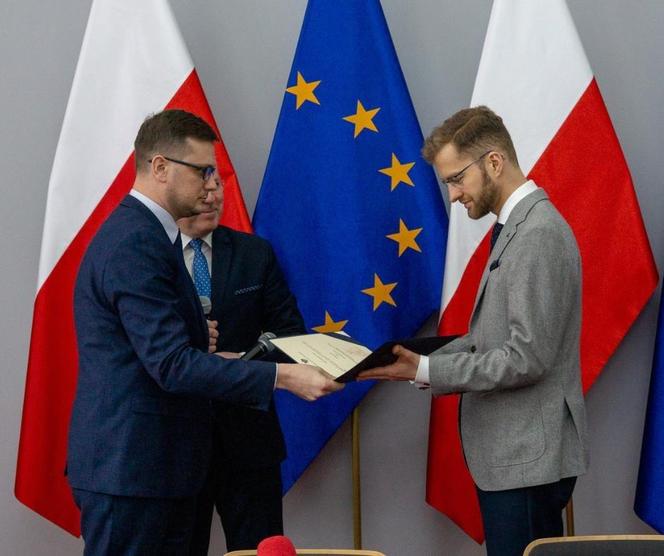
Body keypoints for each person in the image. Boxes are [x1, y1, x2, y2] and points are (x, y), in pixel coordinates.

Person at [67, 109, 342, 555]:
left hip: (159, 468)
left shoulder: (148, 236)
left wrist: (208, 347)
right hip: (134, 470)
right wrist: (285, 376)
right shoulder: (138, 241)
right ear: (159, 168)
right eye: (202, 171)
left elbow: (164, 353)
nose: (212, 184)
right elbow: (172, 365)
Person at [359, 106, 588, 556]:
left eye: (456, 179)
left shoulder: (538, 233)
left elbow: (526, 357)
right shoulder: (515, 228)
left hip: (527, 461)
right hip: (515, 458)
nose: (454, 195)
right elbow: (492, 336)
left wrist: (426, 368)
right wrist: (414, 363)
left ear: (494, 162)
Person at [177, 180, 305, 552]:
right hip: (178, 444)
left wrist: (242, 366)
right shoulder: (151, 256)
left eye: (216, 184)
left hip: (249, 443)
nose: (211, 195)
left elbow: (290, 335)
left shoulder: (254, 252)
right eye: (199, 184)